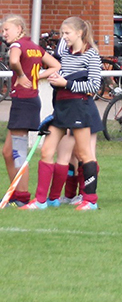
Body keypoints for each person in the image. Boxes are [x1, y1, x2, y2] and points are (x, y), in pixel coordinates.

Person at [22, 17, 101, 211]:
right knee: (46, 151)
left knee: (84, 154)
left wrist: (66, 83)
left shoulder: (91, 54)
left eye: (67, 33)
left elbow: (94, 85)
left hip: (79, 108)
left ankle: (90, 200)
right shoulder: (64, 53)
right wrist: (55, 79)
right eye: (62, 33)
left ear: (79, 33)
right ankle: (41, 201)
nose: (63, 37)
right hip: (61, 107)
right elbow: (59, 74)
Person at [1, 15, 60, 207]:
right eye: (2, 31)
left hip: (23, 102)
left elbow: (14, 61)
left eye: (6, 30)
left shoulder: (17, 45)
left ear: (19, 29)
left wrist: (21, 75)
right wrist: (36, 77)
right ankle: (14, 193)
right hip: (29, 101)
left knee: (17, 152)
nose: (4, 34)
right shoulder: (34, 46)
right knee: (8, 152)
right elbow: (56, 65)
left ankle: (22, 197)